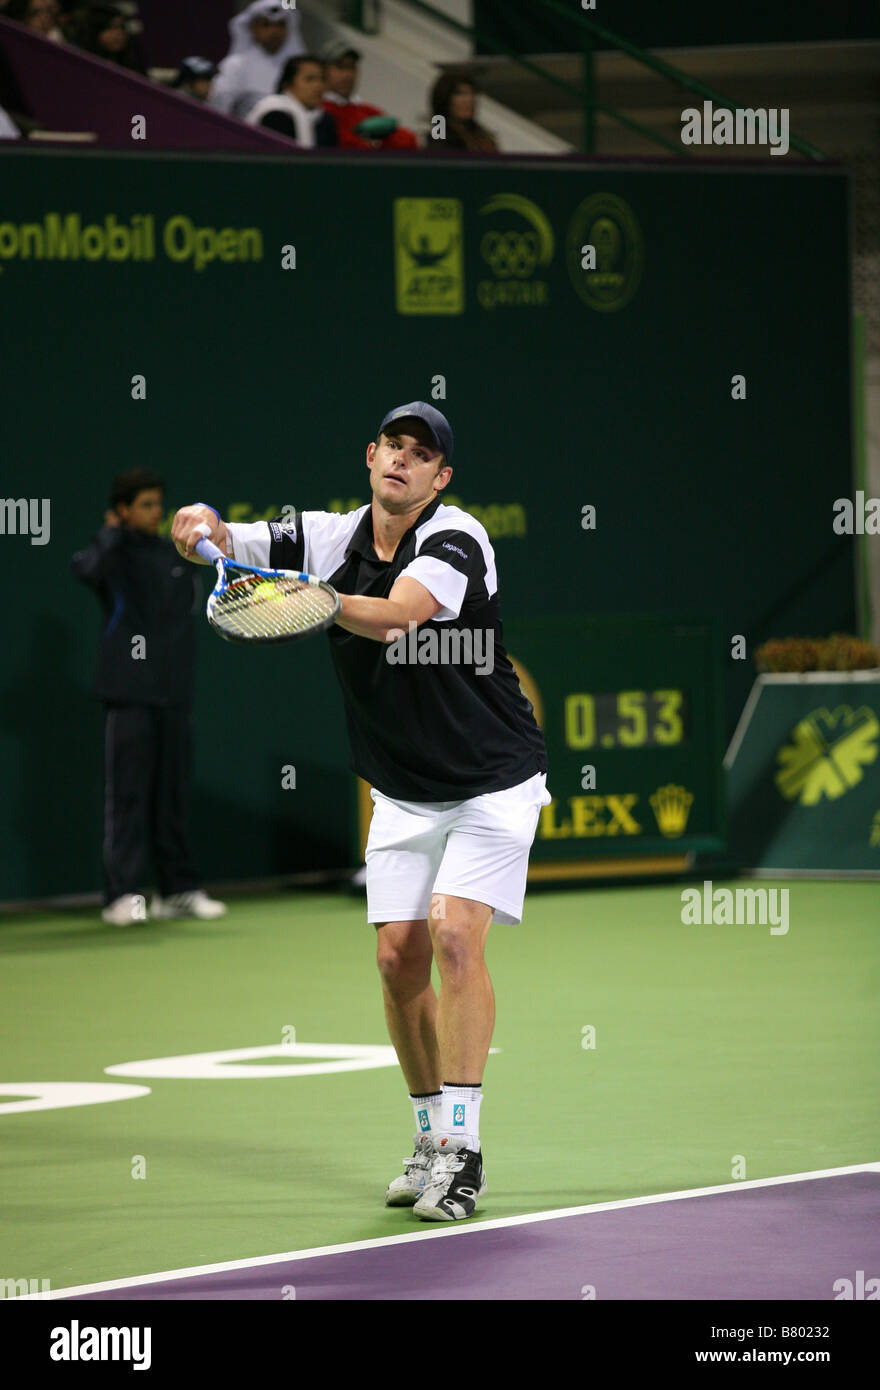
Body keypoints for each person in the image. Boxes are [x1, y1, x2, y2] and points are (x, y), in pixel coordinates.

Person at [171, 403, 550, 1222]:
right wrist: (199, 523)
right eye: (393, 448)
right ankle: (425, 1140)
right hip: (403, 788)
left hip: (493, 779)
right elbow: (229, 534)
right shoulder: (328, 535)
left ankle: (462, 1153)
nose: (403, 463)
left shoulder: (457, 538)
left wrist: (317, 600)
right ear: (370, 456)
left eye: (423, 456)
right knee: (395, 961)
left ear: (439, 478)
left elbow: (401, 615)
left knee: (454, 933)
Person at [71, 469, 226, 927]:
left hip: (174, 694)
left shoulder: (172, 554)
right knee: (129, 798)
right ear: (122, 510)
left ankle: (177, 890)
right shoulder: (110, 556)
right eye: (145, 505)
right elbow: (83, 569)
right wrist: (110, 533)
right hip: (128, 694)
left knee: (172, 795)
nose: (157, 512)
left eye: (159, 504)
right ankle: (121, 895)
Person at [209, 0, 304, 122]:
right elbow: (220, 110)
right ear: (253, 29)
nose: (274, 31)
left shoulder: (300, 67)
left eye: (280, 25)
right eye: (266, 24)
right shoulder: (236, 65)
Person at [320, 39, 418, 151]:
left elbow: (408, 140)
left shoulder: (369, 111)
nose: (347, 74)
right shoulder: (319, 111)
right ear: (324, 71)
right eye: (340, 67)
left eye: (352, 67)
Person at [246, 54, 337, 148]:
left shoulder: (325, 119)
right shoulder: (274, 114)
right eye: (310, 79)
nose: (318, 85)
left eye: (322, 79)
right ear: (287, 84)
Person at [428, 70, 498, 153]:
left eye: (472, 93)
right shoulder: (440, 134)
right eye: (460, 94)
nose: (469, 99)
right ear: (446, 98)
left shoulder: (481, 135)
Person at [69, 2, 145, 73]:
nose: (119, 34)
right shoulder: (77, 63)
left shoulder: (130, 65)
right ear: (95, 31)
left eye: (122, 28)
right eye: (111, 28)